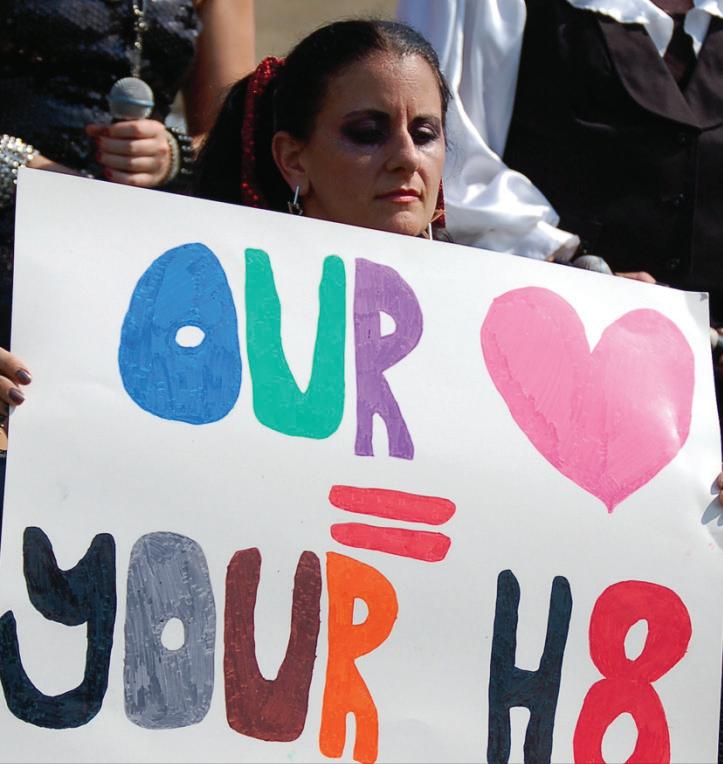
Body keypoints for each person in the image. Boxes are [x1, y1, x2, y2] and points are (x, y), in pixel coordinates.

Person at [0, 0, 255, 351]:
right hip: (13, 224)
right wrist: (20, 166)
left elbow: (235, 131)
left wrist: (173, 154)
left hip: (130, 240)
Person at [194, 19, 448, 242]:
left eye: (423, 135)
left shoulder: (470, 279)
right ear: (293, 160)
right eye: (368, 133)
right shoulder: (221, 277)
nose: (408, 158)